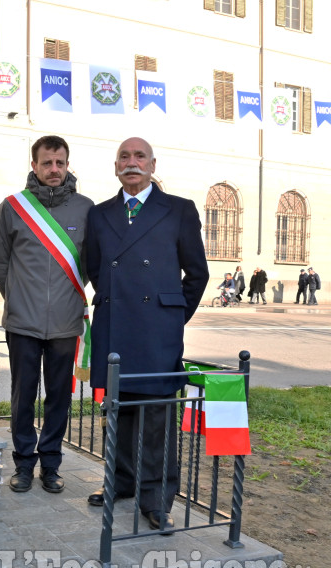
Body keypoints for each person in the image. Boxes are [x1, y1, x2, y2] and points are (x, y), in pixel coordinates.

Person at [85, 137, 208, 533]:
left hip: (158, 331)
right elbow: (95, 268)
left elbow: (198, 273)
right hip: (115, 326)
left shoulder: (179, 210)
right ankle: (121, 482)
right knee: (117, 411)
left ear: (153, 165)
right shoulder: (101, 214)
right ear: (115, 166)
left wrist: (171, 315)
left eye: (139, 157)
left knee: (156, 417)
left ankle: (156, 498)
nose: (131, 162)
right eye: (124, 156)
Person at [0, 135, 93, 494]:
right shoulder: (13, 207)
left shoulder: (85, 208)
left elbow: (90, 262)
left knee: (59, 397)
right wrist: (16, 296)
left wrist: (69, 296)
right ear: (34, 165)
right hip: (23, 322)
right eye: (46, 163)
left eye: (60, 163)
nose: (54, 169)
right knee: (23, 395)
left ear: (67, 165)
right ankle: (23, 464)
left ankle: (50, 464)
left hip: (65, 322)